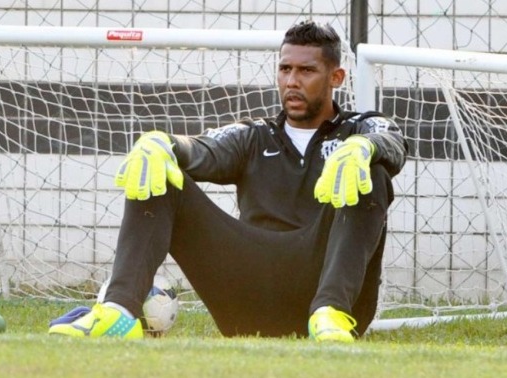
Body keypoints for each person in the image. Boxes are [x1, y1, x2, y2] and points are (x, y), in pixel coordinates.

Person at [49, 20, 407, 342]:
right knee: (159, 166)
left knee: (370, 168)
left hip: (328, 294)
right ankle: (119, 312)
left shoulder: (359, 128)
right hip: (249, 296)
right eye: (285, 69)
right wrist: (164, 143)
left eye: (306, 71)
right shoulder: (254, 137)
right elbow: (201, 149)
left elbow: (392, 141)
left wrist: (363, 147)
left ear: (336, 78)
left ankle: (330, 314)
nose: (292, 81)